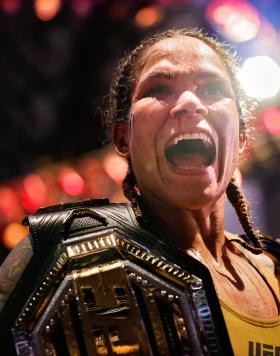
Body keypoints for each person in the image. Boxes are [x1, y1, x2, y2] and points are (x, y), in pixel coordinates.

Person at [0, 28, 279, 354]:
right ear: (123, 139)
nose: (190, 104)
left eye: (213, 88)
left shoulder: (275, 267)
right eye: (159, 89)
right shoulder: (63, 257)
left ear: (242, 137)